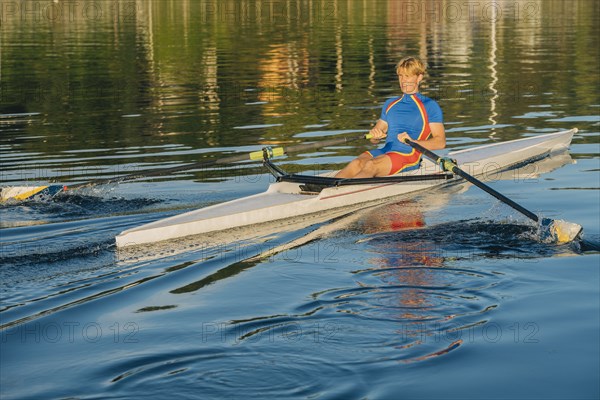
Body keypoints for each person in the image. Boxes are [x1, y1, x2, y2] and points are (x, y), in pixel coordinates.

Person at [335, 56, 446, 178]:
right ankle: (322, 190)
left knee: (371, 165)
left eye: (407, 76)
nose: (403, 81)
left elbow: (440, 142)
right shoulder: (390, 104)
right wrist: (375, 136)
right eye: (400, 76)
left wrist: (414, 142)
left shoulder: (429, 105)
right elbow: (374, 139)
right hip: (386, 151)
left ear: (419, 77)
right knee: (357, 163)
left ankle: (344, 192)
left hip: (407, 155)